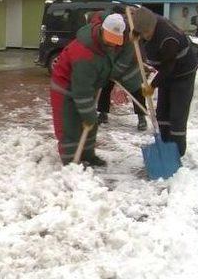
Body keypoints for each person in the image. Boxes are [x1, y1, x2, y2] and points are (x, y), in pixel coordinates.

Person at [51, 13, 140, 167]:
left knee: (91, 125)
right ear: (102, 31)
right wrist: (88, 113)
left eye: (115, 41)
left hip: (87, 84)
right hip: (65, 87)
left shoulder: (108, 44)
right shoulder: (84, 53)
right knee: (70, 125)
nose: (112, 44)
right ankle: (72, 162)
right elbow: (81, 90)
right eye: (110, 39)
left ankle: (88, 156)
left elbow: (124, 50)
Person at [132, 7, 198, 157]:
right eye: (142, 33)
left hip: (182, 74)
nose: (146, 37)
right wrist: (135, 34)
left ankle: (177, 153)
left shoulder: (169, 39)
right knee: (162, 113)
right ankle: (165, 145)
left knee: (177, 116)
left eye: (147, 33)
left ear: (153, 26)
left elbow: (168, 67)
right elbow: (140, 23)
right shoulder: (147, 21)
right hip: (167, 73)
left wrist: (153, 85)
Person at [97, 6, 147, 131]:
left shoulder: (130, 34)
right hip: (110, 62)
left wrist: (114, 72)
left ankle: (141, 117)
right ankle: (103, 113)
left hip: (130, 65)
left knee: (137, 89)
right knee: (105, 87)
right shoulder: (106, 26)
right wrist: (107, 70)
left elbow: (126, 58)